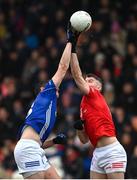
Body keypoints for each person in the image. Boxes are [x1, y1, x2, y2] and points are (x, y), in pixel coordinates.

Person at [67, 24, 127, 179]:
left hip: (111, 151)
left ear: (99, 87)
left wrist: (72, 46)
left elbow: (76, 75)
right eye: (86, 80)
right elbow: (84, 140)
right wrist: (79, 129)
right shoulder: (83, 104)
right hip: (97, 153)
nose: (87, 82)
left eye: (91, 80)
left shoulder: (94, 95)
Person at [14, 41, 72, 179]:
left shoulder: (47, 104)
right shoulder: (45, 94)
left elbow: (37, 143)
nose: (55, 86)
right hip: (28, 150)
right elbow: (63, 67)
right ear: (42, 89)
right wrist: (71, 42)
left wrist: (54, 142)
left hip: (34, 148)